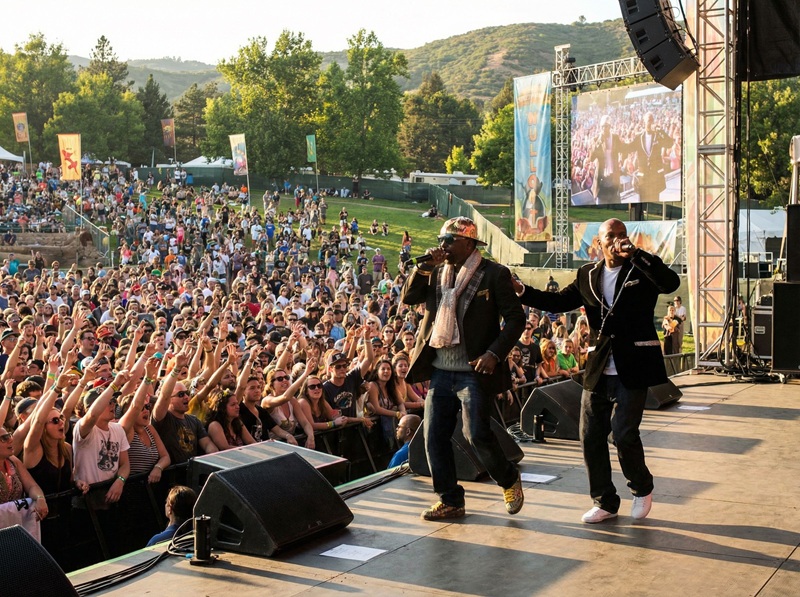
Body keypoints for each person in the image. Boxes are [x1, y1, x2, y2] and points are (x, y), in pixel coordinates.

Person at [514, 218, 680, 523]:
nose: (618, 240)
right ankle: (604, 501)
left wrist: (637, 255)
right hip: (599, 366)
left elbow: (670, 283)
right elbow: (558, 301)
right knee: (590, 435)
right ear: (599, 243)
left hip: (634, 365)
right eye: (611, 236)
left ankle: (641, 488)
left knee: (623, 433)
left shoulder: (641, 269)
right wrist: (522, 291)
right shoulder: (587, 274)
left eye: (622, 234)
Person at [401, 216, 526, 521]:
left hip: (474, 369)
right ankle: (450, 500)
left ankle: (508, 478)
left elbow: (516, 320)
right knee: (433, 437)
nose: (442, 246)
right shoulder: (434, 271)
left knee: (476, 434)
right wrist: (423, 268)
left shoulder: (494, 274)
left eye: (449, 240)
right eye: (440, 240)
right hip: (441, 368)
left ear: (468, 243)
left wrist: (494, 353)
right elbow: (409, 297)